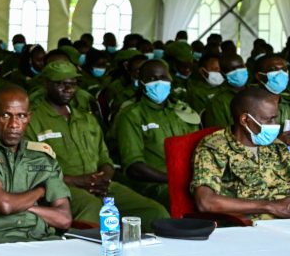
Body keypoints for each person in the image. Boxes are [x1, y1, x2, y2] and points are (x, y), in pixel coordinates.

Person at [25, 61, 168, 226]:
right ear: (46, 83)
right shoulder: (33, 120)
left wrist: (104, 178)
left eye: (72, 83)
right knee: (92, 210)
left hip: (100, 186)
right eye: (60, 83)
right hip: (63, 187)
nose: (68, 88)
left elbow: (105, 158)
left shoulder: (86, 118)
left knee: (154, 212)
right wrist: (78, 181)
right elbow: (33, 169)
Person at [0, 85, 72, 243]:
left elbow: (64, 219)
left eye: (21, 116)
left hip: (40, 239)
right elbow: (4, 205)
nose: (14, 124)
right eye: (5, 115)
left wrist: (23, 206)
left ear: (29, 117)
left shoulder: (42, 156)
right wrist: (40, 191)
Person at [192, 88, 290, 219]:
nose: (275, 125)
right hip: (250, 227)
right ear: (244, 120)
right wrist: (270, 206)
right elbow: (206, 202)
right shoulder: (215, 147)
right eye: (268, 119)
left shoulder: (276, 145)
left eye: (275, 118)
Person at [113, 59, 199, 206]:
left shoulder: (182, 111)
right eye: (151, 79)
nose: (158, 82)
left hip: (190, 180)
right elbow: (134, 167)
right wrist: (172, 178)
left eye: (163, 78)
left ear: (171, 80)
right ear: (141, 83)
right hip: (154, 185)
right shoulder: (131, 115)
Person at [201, 53, 249, 128]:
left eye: (240, 67)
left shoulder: (256, 91)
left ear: (245, 66)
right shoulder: (218, 102)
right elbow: (217, 134)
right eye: (231, 69)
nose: (237, 72)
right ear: (223, 74)